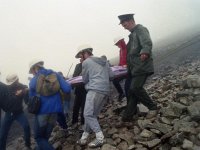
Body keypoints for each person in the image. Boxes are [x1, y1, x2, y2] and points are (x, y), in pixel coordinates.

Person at [117, 14, 157, 123]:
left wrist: (145, 52)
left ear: (130, 21)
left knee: (135, 88)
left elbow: (147, 42)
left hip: (142, 65)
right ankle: (127, 116)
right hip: (135, 68)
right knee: (132, 91)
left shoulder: (140, 29)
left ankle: (153, 107)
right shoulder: (132, 35)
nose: (124, 27)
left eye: (124, 24)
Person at [28, 59, 71, 150]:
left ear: (35, 68)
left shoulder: (34, 80)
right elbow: (67, 89)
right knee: (45, 138)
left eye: (32, 71)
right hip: (55, 111)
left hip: (42, 112)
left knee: (39, 138)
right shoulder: (56, 74)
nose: (32, 73)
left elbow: (31, 99)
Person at [76, 45, 113, 148]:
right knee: (92, 114)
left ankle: (100, 138)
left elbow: (85, 79)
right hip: (105, 91)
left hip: (94, 90)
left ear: (84, 53)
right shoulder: (104, 61)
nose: (80, 58)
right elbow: (111, 76)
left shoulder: (86, 62)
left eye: (80, 55)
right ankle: (84, 137)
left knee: (87, 114)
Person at [0, 73, 31, 150]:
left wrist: (22, 91)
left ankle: (28, 145)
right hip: (8, 114)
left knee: (26, 127)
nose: (14, 83)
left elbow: (27, 88)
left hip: (19, 113)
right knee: (2, 135)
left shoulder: (20, 85)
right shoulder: (6, 88)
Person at [70, 53, 86, 129]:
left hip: (86, 90)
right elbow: (74, 76)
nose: (80, 58)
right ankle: (74, 122)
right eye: (79, 57)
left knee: (84, 107)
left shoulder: (89, 64)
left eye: (81, 57)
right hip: (78, 89)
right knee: (76, 107)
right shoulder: (78, 66)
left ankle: (83, 123)